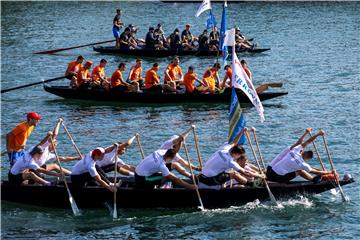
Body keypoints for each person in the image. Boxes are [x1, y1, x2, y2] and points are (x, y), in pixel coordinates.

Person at [199, 131, 264, 188]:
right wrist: (260, 176)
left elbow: (234, 142)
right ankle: (252, 184)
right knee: (234, 174)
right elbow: (245, 172)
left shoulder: (224, 149)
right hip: (209, 180)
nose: (238, 158)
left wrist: (241, 132)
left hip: (202, 175)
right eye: (239, 156)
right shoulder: (230, 161)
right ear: (236, 154)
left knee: (227, 171)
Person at [266, 129, 334, 183]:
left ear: (303, 152)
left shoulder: (295, 151)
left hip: (271, 171)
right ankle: (313, 179)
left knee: (303, 168)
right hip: (277, 177)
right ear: (307, 159)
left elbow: (307, 142)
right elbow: (315, 171)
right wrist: (330, 172)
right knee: (300, 171)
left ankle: (320, 177)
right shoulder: (302, 164)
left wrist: (317, 134)